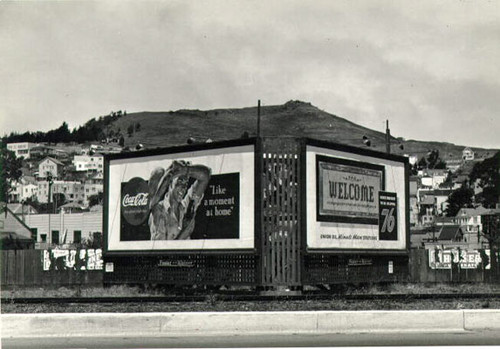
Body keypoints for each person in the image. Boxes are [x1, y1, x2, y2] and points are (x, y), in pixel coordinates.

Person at [148, 160, 211, 240]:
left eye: (185, 184)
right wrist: (184, 233)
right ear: (170, 184)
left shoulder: (187, 206)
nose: (183, 188)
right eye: (179, 182)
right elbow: (160, 251)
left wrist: (185, 170)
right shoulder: (159, 210)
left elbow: (206, 175)